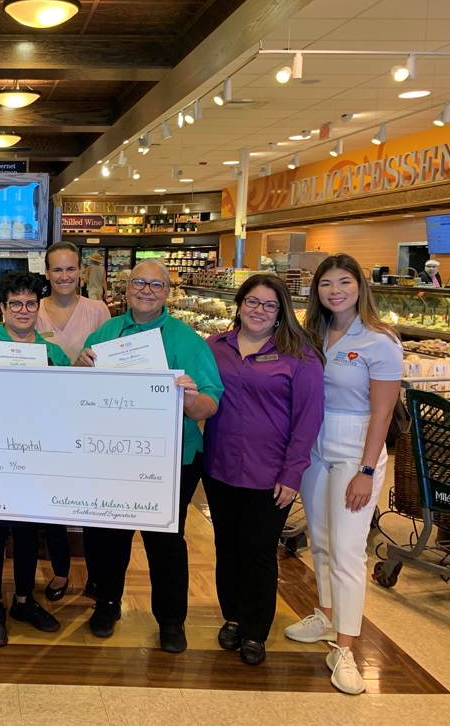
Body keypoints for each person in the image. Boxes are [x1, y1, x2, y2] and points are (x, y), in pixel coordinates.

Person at [76, 259, 222, 653]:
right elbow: (82, 389)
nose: (146, 290)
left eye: (156, 285)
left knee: (165, 541)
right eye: (139, 282)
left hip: (171, 458)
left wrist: (191, 400)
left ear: (168, 292)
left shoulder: (188, 341)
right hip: (114, 455)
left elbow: (211, 402)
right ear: (127, 287)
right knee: (108, 535)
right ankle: (107, 604)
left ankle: (171, 621)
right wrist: (80, 366)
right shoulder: (106, 332)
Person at [286, 254, 402, 695]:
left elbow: (383, 412)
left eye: (344, 282)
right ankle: (327, 615)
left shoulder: (380, 340)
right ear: (316, 290)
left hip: (357, 447)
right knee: (321, 540)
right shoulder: (312, 334)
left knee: (349, 550)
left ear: (360, 287)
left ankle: (347, 648)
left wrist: (366, 471)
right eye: (326, 283)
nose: (335, 291)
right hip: (315, 442)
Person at [202, 274, 324, 666]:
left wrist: (293, 472)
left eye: (270, 305)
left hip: (270, 474)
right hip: (219, 466)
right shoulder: (214, 346)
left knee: (257, 551)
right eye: (252, 302)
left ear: (281, 313)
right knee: (227, 546)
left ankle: (255, 630)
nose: (259, 310)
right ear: (239, 305)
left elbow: (308, 419)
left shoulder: (300, 356)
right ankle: (233, 617)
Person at [0, 270, 69, 646]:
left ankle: (23, 600)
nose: (24, 310)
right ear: (2, 308)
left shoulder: (53, 353)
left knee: (27, 533)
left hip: (37, 458)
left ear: (39, 307)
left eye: (30, 303)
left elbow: (69, 404)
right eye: (15, 304)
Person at [35, 241, 110, 600]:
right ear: (46, 272)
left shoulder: (98, 310)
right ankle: (60, 572)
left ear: (81, 271)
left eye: (70, 269)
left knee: (91, 501)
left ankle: (97, 574)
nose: (64, 276)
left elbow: (111, 365)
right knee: (52, 503)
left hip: (88, 421)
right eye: (57, 269)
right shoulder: (33, 310)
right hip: (45, 422)